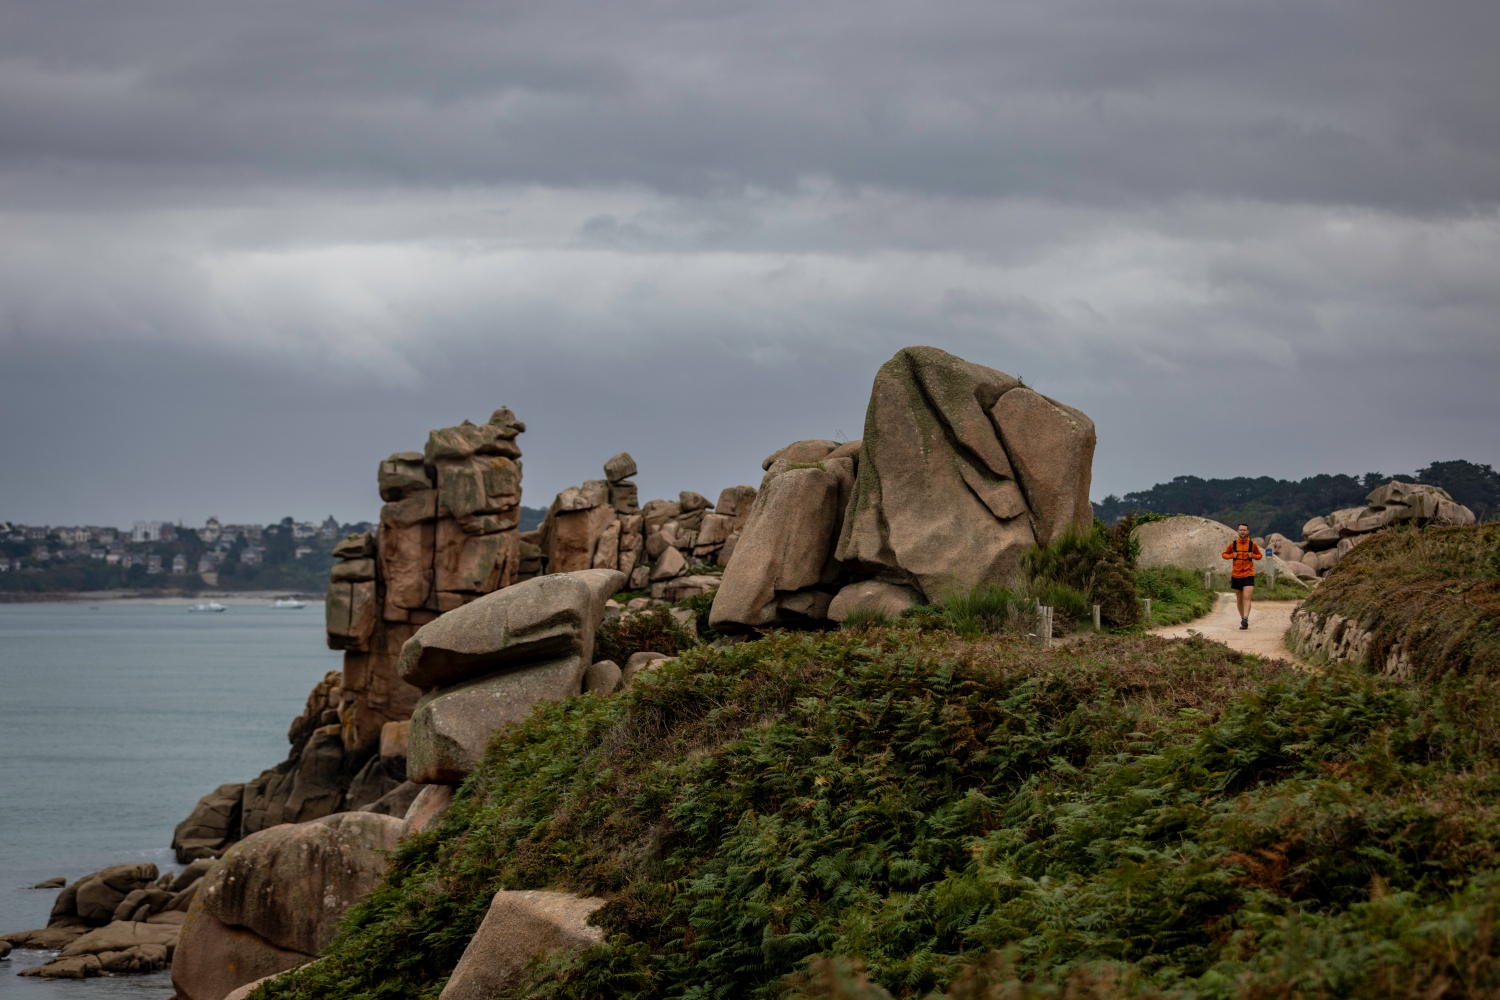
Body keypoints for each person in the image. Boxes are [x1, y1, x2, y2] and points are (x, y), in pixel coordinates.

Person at [1221, 523, 1263, 630]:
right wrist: (1231, 555)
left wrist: (1252, 555)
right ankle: (1243, 620)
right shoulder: (1233, 544)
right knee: (1239, 599)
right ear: (1238, 531)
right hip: (1236, 575)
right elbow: (1224, 554)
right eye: (1241, 530)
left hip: (1249, 574)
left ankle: (1245, 618)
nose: (1242, 532)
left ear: (1248, 531)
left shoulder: (1252, 545)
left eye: (1244, 530)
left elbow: (1259, 556)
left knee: (1246, 597)